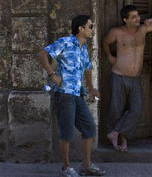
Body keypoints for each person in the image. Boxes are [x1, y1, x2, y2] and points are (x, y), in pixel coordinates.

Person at [38, 15, 106, 176]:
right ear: (80, 28)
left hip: (77, 95)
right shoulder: (65, 42)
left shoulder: (83, 48)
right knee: (67, 132)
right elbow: (42, 54)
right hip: (64, 95)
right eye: (90, 26)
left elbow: (88, 68)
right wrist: (52, 74)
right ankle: (66, 167)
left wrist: (91, 88)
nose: (92, 30)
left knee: (89, 128)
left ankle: (86, 165)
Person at [103, 5, 152, 152]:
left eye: (138, 15)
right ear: (125, 19)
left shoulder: (142, 29)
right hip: (119, 76)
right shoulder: (116, 32)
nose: (138, 18)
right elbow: (105, 42)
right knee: (116, 110)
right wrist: (109, 56)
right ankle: (120, 140)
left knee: (136, 110)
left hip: (135, 78)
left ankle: (116, 133)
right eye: (133, 16)